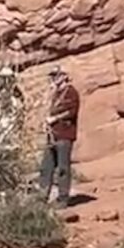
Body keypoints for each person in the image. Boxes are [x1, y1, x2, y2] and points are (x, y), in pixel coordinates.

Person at [38, 67, 80, 207]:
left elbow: (71, 112)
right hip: (53, 135)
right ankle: (42, 197)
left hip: (64, 134)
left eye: (56, 75)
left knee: (63, 167)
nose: (54, 78)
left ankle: (63, 198)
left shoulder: (71, 92)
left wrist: (55, 118)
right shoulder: (57, 93)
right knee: (46, 167)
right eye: (52, 76)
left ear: (64, 76)